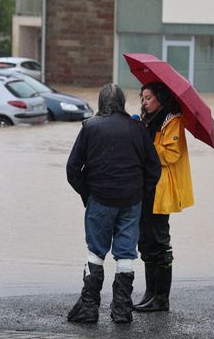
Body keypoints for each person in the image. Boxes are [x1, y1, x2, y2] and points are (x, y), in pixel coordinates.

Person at [66, 83, 161, 324]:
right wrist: (140, 192)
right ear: (123, 102)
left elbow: (73, 168)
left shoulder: (90, 127)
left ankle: (89, 307)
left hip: (99, 198)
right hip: (131, 200)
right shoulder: (138, 128)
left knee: (96, 252)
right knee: (126, 253)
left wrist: (87, 193)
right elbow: (154, 168)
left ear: (100, 102)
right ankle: (122, 310)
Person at [133, 82, 194, 312]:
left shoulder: (173, 121)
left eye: (148, 98)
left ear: (159, 98)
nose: (144, 102)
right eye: (142, 98)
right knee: (146, 241)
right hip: (146, 187)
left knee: (159, 240)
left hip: (161, 188)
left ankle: (161, 298)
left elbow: (170, 154)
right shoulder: (148, 120)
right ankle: (150, 293)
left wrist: (145, 145)